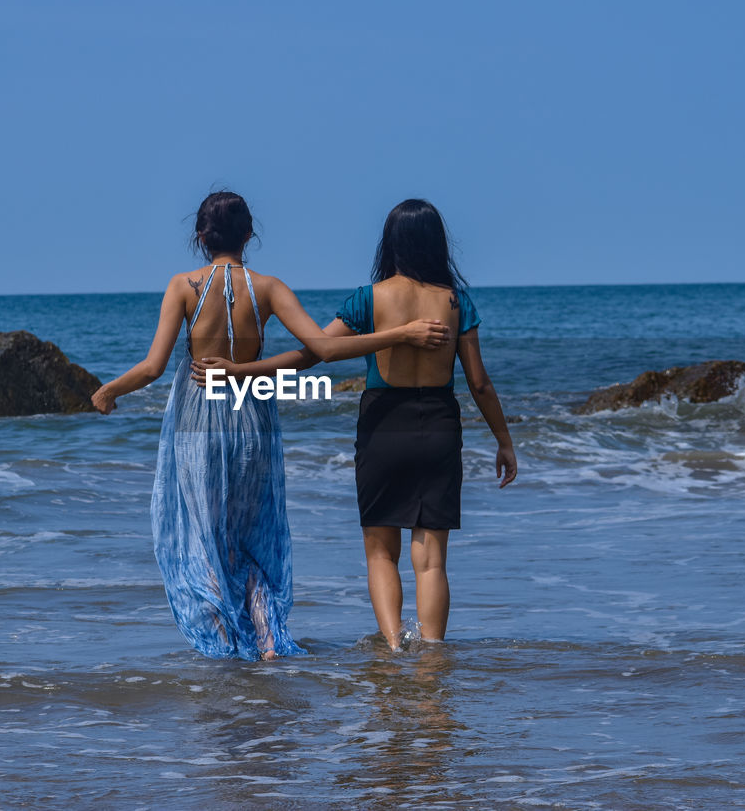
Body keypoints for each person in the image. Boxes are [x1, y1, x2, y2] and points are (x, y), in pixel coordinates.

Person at [91, 192, 450, 661]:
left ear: (200, 235)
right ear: (249, 233)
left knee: (204, 535)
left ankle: (221, 646)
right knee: (254, 532)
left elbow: (154, 367)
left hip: (198, 413)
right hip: (253, 412)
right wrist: (402, 334)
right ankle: (267, 642)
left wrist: (109, 391)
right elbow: (322, 349)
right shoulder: (268, 288)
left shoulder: (183, 286)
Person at [193, 198, 517, 649]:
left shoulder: (369, 299)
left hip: (384, 424)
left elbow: (312, 354)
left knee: (381, 550)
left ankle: (394, 646)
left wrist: (238, 371)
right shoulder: (456, 302)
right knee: (433, 561)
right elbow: (479, 383)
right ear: (437, 243)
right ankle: (433, 655)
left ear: (391, 243)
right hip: (439, 424)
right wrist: (504, 440)